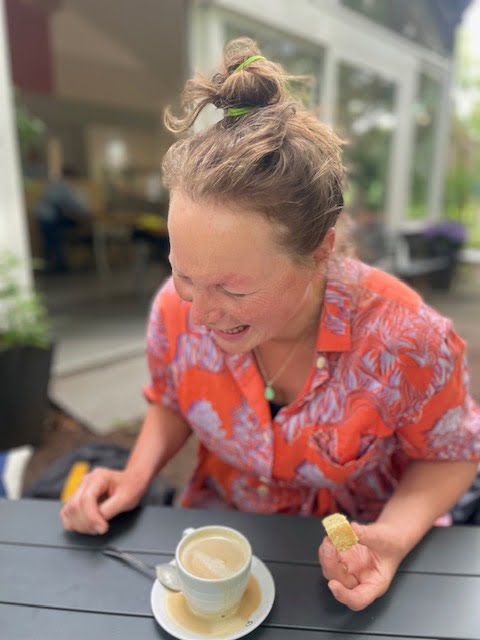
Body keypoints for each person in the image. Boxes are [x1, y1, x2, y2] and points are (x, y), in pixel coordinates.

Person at [60, 39, 480, 611]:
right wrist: (135, 475)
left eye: (234, 290)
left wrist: (393, 536)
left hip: (350, 564)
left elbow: (451, 452)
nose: (199, 315)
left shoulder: (406, 338)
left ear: (319, 252)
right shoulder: (174, 309)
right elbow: (172, 399)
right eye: (183, 274)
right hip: (218, 537)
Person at [35, 165, 91, 272]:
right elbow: (71, 203)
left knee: (50, 242)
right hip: (49, 217)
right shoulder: (63, 186)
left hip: (44, 216)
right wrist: (86, 213)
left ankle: (50, 266)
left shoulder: (55, 184)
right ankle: (58, 266)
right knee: (54, 241)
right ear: (70, 176)